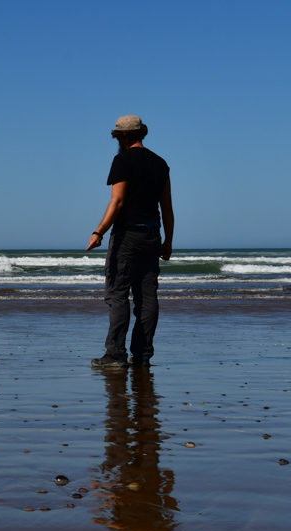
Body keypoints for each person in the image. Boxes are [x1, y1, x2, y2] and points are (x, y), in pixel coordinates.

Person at [86, 114, 174, 368]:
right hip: (152, 234)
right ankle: (142, 356)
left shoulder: (122, 160)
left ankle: (115, 355)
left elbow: (118, 201)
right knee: (147, 298)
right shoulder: (160, 163)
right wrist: (168, 241)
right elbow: (166, 207)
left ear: (121, 137)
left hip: (127, 236)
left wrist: (99, 231)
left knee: (117, 295)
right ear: (141, 133)